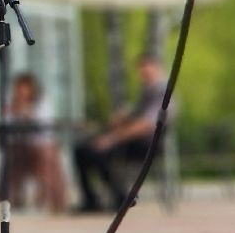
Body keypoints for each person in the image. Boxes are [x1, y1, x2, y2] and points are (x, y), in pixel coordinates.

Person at [72, 53, 168, 212]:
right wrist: (122, 118)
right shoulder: (146, 92)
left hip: (146, 145)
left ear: (158, 69)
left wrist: (112, 138)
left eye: (147, 69)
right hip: (131, 141)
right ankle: (92, 200)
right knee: (82, 150)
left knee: (97, 152)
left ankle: (120, 197)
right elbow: (136, 118)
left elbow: (146, 125)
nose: (144, 73)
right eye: (142, 70)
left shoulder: (163, 92)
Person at [0, 73, 67, 214]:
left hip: (40, 146)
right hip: (19, 148)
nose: (22, 92)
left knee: (45, 155)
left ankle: (51, 200)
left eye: (25, 88)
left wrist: (27, 113)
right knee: (12, 158)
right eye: (19, 88)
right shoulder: (11, 105)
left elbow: (46, 126)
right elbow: (6, 126)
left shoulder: (42, 102)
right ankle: (5, 198)